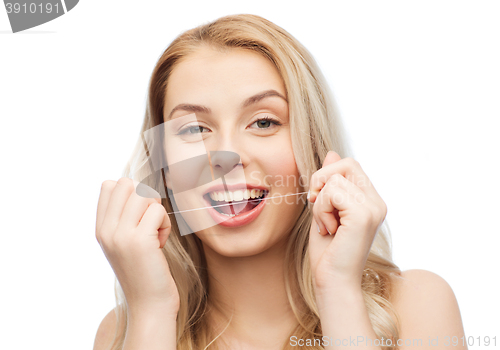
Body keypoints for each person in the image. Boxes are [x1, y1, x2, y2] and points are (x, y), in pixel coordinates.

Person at [93, 14, 466, 350]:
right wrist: (152, 312)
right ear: (163, 167)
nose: (226, 158)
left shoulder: (418, 306)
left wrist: (337, 291)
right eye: (194, 129)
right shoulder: (123, 332)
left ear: (313, 145)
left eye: (264, 122)